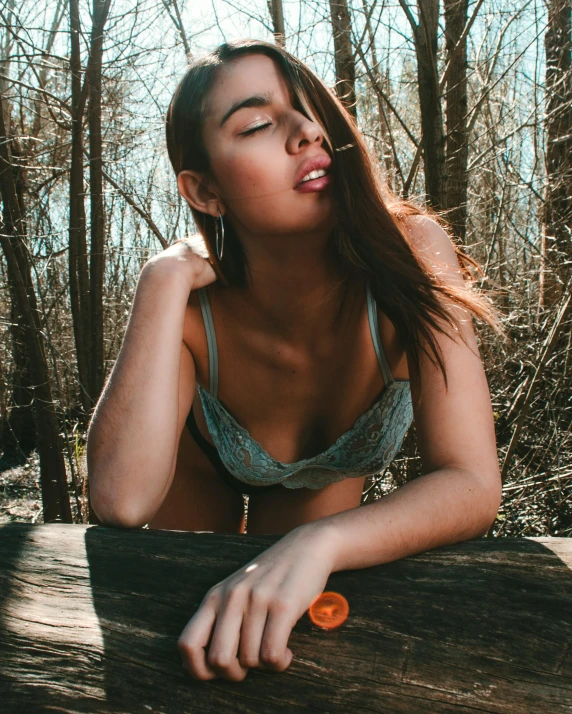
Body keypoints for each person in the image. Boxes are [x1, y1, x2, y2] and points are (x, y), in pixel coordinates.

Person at [86, 39, 505, 683]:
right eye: (256, 123)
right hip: (199, 477)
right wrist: (160, 278)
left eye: (308, 109)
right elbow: (120, 499)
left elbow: (474, 484)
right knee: (185, 646)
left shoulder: (411, 254)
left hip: (321, 492)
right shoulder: (192, 311)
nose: (307, 131)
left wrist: (324, 540)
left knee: (284, 654)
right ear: (204, 190)